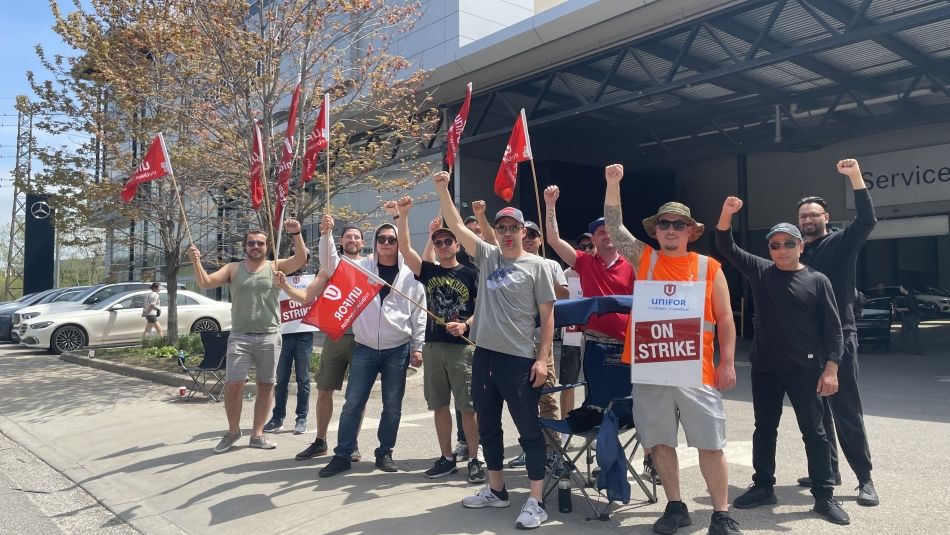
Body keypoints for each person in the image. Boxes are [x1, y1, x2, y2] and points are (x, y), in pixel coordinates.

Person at [603, 164, 740, 535]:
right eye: (664, 224)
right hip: (652, 371)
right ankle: (675, 506)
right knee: (661, 442)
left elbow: (726, 320)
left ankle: (721, 514)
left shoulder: (709, 268)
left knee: (710, 444)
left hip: (697, 372)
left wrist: (726, 363)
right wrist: (612, 184)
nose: (670, 229)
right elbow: (614, 229)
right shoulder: (645, 259)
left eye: (678, 225)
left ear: (691, 232)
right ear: (656, 230)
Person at [434, 171, 556, 530]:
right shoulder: (487, 256)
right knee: (487, 427)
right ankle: (497, 490)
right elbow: (456, 225)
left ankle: (535, 500)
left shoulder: (539, 266)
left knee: (529, 429)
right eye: (501, 228)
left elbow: (547, 318)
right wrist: (442, 190)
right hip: (484, 354)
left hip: (518, 359)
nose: (506, 233)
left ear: (523, 232)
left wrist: (542, 358)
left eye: (512, 228)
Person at [716, 198, 850, 526]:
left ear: (800, 246)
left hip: (806, 369)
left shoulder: (818, 281)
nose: (781, 250)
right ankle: (763, 486)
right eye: (774, 245)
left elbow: (833, 330)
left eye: (788, 243)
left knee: (815, 432)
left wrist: (831, 367)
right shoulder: (761, 271)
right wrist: (727, 213)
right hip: (765, 369)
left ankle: (823, 494)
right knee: (764, 429)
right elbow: (724, 244)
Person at [542, 186, 657, 482]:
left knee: (638, 403)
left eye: (609, 230)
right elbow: (553, 239)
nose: (605, 235)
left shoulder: (633, 264)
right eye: (598, 232)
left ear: (618, 236)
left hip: (630, 345)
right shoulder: (584, 262)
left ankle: (651, 460)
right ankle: (604, 460)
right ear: (592, 239)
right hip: (594, 346)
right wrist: (550, 204)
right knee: (597, 405)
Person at [795, 158, 879, 507]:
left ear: (826, 218)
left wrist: (855, 178)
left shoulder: (843, 242)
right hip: (805, 342)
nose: (808, 220)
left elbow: (867, 220)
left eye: (814, 214)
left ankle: (865, 478)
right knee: (817, 413)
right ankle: (829, 471)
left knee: (845, 410)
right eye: (803, 216)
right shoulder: (796, 252)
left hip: (839, 338)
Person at [316, 215, 426, 477]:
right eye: (382, 239)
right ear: (374, 243)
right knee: (353, 402)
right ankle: (342, 454)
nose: (387, 243)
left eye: (392, 239)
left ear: (399, 243)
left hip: (397, 349)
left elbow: (419, 313)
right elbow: (330, 263)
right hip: (364, 347)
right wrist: (326, 235)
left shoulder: (410, 275)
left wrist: (417, 345)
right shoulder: (361, 268)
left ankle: (384, 452)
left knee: (392, 405)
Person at [387, 196, 485, 484]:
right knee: (439, 405)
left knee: (468, 407)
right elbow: (405, 250)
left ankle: (474, 459)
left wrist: (465, 324)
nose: (443, 246)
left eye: (448, 242)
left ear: (457, 245)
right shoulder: (428, 271)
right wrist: (403, 215)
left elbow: (481, 309)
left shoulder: (471, 273)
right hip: (433, 346)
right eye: (438, 242)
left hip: (462, 349)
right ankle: (446, 458)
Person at [189, 220, 308, 453]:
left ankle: (257, 434)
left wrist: (296, 233)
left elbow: (301, 259)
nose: (256, 246)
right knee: (234, 384)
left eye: (260, 243)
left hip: (269, 335)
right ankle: (233, 432)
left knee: (266, 386)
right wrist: (196, 262)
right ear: (245, 247)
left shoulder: (276, 266)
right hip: (240, 336)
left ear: (266, 247)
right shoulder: (233, 268)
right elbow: (205, 282)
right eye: (251, 243)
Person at [293, 223, 367, 463]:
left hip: (363, 339)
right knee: (324, 390)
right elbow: (307, 296)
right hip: (335, 336)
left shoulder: (371, 266)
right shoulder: (331, 268)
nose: (353, 240)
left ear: (362, 243)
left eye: (357, 237)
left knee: (357, 396)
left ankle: (352, 443)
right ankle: (320, 441)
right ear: (341, 242)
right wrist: (284, 285)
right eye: (348, 237)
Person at [506, 221, 568, 471]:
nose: (529, 239)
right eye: (525, 234)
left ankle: (553, 452)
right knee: (522, 401)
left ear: (540, 240)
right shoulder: (510, 263)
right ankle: (530, 449)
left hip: (541, 341)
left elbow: (564, 295)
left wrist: (543, 279)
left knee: (547, 397)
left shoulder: (550, 265)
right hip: (516, 341)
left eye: (533, 235)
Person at [263, 257, 314, 436]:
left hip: (304, 335)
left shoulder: (311, 282)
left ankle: (301, 418)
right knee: (281, 379)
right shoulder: (278, 279)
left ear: (306, 263)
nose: (299, 264)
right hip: (283, 335)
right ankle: (277, 417)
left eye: (303, 260)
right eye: (296, 257)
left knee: (303, 379)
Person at [898, 286, 923, 355]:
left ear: (904, 288)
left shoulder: (910, 297)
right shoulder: (908, 296)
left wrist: (901, 309)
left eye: (900, 288)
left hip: (912, 317)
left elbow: (911, 308)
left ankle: (919, 350)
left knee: (915, 334)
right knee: (904, 333)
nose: (900, 289)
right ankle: (904, 349)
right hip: (908, 317)